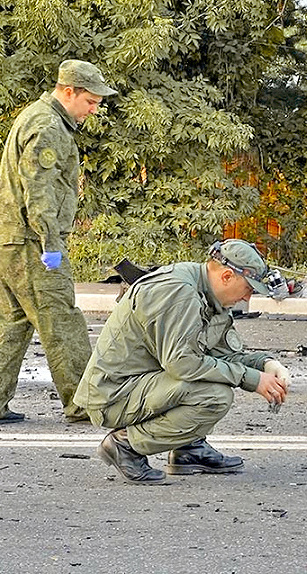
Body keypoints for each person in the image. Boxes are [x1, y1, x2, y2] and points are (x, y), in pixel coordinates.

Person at [74, 239, 292, 484]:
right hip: (113, 395)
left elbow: (218, 355)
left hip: (141, 384)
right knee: (214, 396)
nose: (247, 297)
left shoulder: (208, 293)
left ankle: (189, 449)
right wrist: (251, 379)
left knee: (212, 380)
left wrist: (265, 364)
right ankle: (125, 445)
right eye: (249, 288)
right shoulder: (179, 292)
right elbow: (183, 364)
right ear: (227, 276)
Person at [0, 60, 118, 424]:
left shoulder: (37, 117)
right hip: (33, 242)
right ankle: (85, 404)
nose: (94, 109)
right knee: (62, 320)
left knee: (13, 323)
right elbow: (40, 191)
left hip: (12, 240)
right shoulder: (48, 126)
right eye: (91, 101)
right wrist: (50, 243)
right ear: (69, 92)